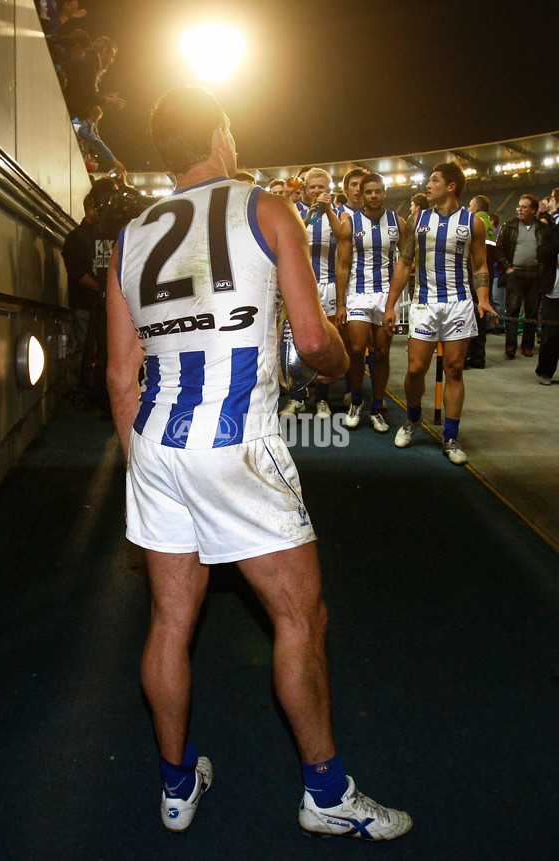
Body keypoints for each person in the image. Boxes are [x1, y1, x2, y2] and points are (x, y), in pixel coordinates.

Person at [106, 85, 412, 841]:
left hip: (155, 443)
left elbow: (120, 374)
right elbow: (312, 342)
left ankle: (177, 785)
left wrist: (140, 466)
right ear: (216, 133)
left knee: (170, 621)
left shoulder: (130, 234)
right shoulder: (264, 207)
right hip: (238, 442)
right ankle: (327, 791)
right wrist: (341, 358)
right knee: (300, 616)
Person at [383, 162, 496, 465]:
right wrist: (390, 305)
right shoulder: (418, 218)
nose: (427, 185)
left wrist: (483, 298)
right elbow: (405, 264)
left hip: (459, 304)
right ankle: (413, 418)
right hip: (425, 304)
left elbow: (480, 266)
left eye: (434, 180)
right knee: (415, 369)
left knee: (455, 369)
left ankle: (450, 436)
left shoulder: (472, 222)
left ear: (451, 186)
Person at [335, 172, 405, 432]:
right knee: (355, 349)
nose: (373, 196)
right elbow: (342, 266)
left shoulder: (398, 222)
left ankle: (377, 407)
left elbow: (407, 261)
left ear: (384, 192)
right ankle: (355, 400)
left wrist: (395, 298)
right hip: (358, 293)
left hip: (386, 295)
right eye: (368, 192)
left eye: (378, 191)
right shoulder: (350, 224)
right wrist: (341, 303)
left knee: (383, 352)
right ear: (361, 195)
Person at [280, 167, 343, 418]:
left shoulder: (340, 215)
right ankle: (297, 398)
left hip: (328, 284)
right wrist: (310, 216)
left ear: (330, 190)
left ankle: (323, 400)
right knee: (295, 344)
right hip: (299, 285)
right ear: (305, 190)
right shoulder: (292, 212)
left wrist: (327, 210)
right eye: (312, 187)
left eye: (322, 187)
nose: (317, 191)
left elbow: (346, 243)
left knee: (324, 345)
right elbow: (289, 240)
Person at [496, 194, 550, 358]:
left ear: (533, 210)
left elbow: (548, 251)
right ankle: (510, 347)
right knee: (512, 311)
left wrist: (541, 270)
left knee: (532, 313)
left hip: (535, 274)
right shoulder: (509, 227)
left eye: (524, 207)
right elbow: (499, 250)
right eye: (519, 206)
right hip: (515, 274)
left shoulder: (542, 228)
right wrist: (507, 268)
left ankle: (527, 346)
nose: (519, 209)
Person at [61, 190, 100, 393]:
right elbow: (77, 272)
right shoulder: (76, 237)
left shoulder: (80, 236)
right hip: (85, 302)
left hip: (91, 301)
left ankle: (86, 388)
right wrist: (103, 289)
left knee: (86, 347)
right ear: (89, 208)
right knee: (84, 347)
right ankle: (82, 388)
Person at [465, 194, 498, 368]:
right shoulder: (491, 226)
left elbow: (474, 259)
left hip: (473, 279)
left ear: (476, 208)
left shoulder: (475, 223)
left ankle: (469, 356)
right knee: (481, 316)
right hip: (487, 277)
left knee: (470, 318)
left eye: (470, 206)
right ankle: (479, 358)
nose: (469, 209)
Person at [64, 35, 126, 120]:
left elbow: (83, 92)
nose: (111, 61)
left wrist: (104, 98)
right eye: (112, 56)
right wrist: (106, 101)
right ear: (104, 51)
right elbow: (85, 96)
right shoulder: (90, 64)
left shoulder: (88, 60)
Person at [535, 202, 559, 384]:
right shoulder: (552, 232)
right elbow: (542, 253)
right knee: (551, 335)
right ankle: (546, 372)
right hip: (554, 292)